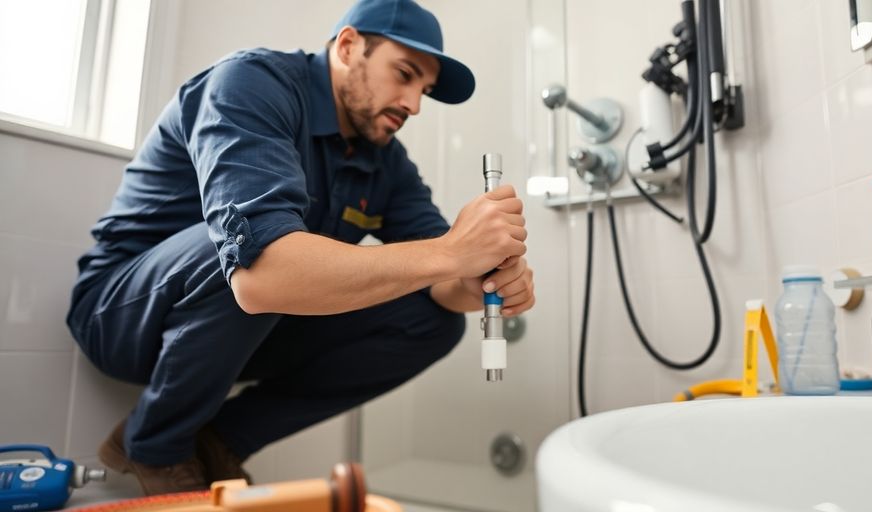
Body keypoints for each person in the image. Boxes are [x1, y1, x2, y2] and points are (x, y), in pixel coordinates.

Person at [65, 0, 534, 496]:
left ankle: (218, 439)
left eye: (425, 90)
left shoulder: (385, 162)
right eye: (404, 74)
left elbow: (442, 281)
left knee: (433, 323)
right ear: (350, 46)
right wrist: (452, 252)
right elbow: (263, 274)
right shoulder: (251, 84)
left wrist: (483, 278)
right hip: (120, 317)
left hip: (245, 329)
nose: (414, 104)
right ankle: (155, 444)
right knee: (250, 249)